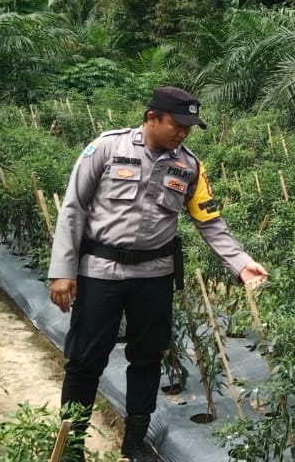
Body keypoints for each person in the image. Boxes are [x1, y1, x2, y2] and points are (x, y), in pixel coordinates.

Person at [48, 86, 268, 462]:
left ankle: (134, 443)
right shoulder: (106, 148)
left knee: (147, 357)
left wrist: (240, 262)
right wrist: (63, 271)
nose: (183, 134)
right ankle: (71, 447)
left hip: (154, 274)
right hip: (101, 271)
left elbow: (210, 222)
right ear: (152, 118)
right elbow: (73, 209)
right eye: (177, 125)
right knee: (86, 359)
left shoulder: (190, 167)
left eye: (189, 128)